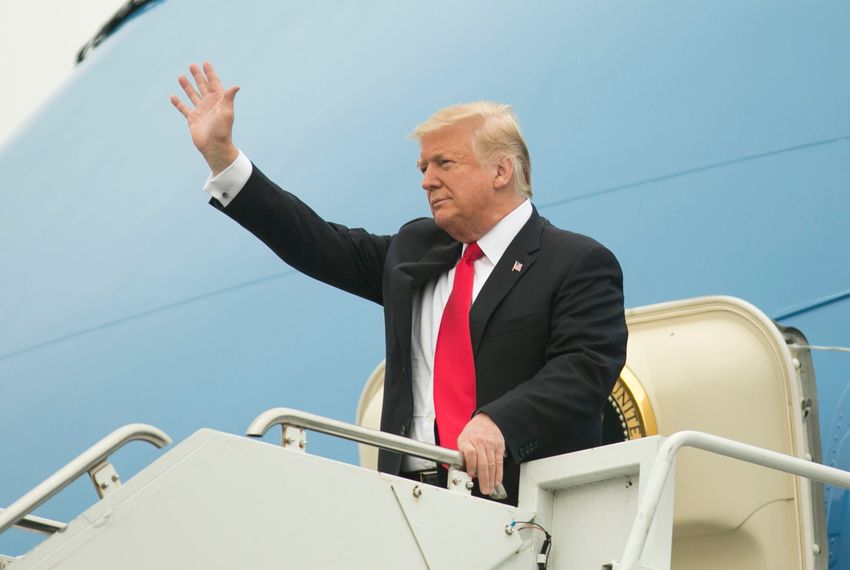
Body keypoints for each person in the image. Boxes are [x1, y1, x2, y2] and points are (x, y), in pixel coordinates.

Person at [171, 62, 628, 505]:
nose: (427, 181)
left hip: (522, 505)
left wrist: (498, 421)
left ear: (500, 171)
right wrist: (223, 158)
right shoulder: (414, 251)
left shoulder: (575, 262)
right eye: (423, 168)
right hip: (408, 502)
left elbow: (582, 371)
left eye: (443, 163)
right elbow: (315, 243)